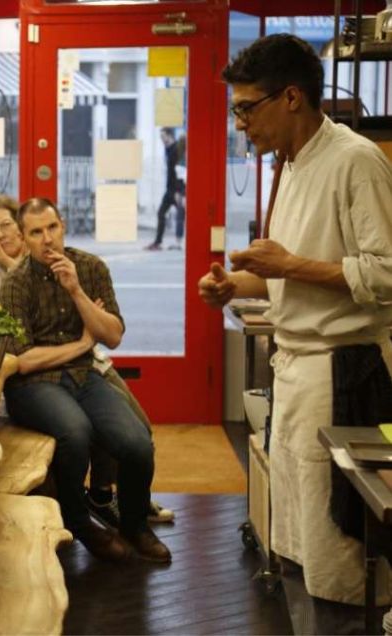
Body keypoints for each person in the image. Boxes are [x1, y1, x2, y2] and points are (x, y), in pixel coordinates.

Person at [198, 34, 392, 612]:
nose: (240, 124)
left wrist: (285, 264)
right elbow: (293, 274)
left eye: (245, 108)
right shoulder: (291, 163)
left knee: (337, 547)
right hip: (298, 371)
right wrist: (239, 284)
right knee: (301, 539)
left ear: (289, 98)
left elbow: (385, 273)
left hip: (343, 372)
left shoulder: (355, 159)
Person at [0, 194, 174, 526]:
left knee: (137, 433)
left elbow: (111, 333)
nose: (0, 235)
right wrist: (83, 340)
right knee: (77, 430)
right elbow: (15, 348)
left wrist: (77, 294)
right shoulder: (2, 275)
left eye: (5, 225)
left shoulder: (84, 265)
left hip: (89, 364)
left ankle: (121, 504)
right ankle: (85, 516)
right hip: (43, 374)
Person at [146, 127, 186, 251]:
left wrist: (179, 191)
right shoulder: (168, 149)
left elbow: (179, 171)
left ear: (170, 136)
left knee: (181, 215)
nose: (161, 139)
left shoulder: (176, 150)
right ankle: (158, 242)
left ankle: (179, 242)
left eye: (163, 136)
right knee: (161, 213)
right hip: (169, 190)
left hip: (176, 191)